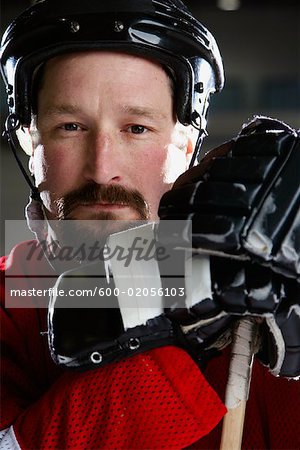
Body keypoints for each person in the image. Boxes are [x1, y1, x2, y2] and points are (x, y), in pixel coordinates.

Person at [0, 0, 299, 449]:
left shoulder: (269, 297)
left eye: (136, 128)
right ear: (29, 141)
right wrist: (169, 301)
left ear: (186, 145)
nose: (102, 170)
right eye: (70, 126)